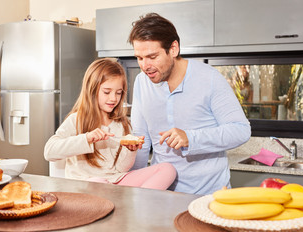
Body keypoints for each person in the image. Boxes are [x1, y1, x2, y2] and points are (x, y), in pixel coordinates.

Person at [128, 13, 251, 195]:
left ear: (173, 49)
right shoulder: (141, 82)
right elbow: (141, 141)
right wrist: (131, 188)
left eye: (152, 57)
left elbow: (241, 130)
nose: (145, 66)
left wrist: (191, 138)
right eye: (139, 58)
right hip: (160, 193)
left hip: (208, 195)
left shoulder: (209, 78)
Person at [44, 58, 176, 190]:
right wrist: (87, 138)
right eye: (107, 92)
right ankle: (124, 200)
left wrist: (130, 151)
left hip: (116, 181)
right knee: (99, 182)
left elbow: (121, 169)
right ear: (92, 90)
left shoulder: (123, 124)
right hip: (85, 184)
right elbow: (49, 152)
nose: (113, 98)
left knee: (167, 169)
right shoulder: (76, 120)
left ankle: (139, 202)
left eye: (118, 93)